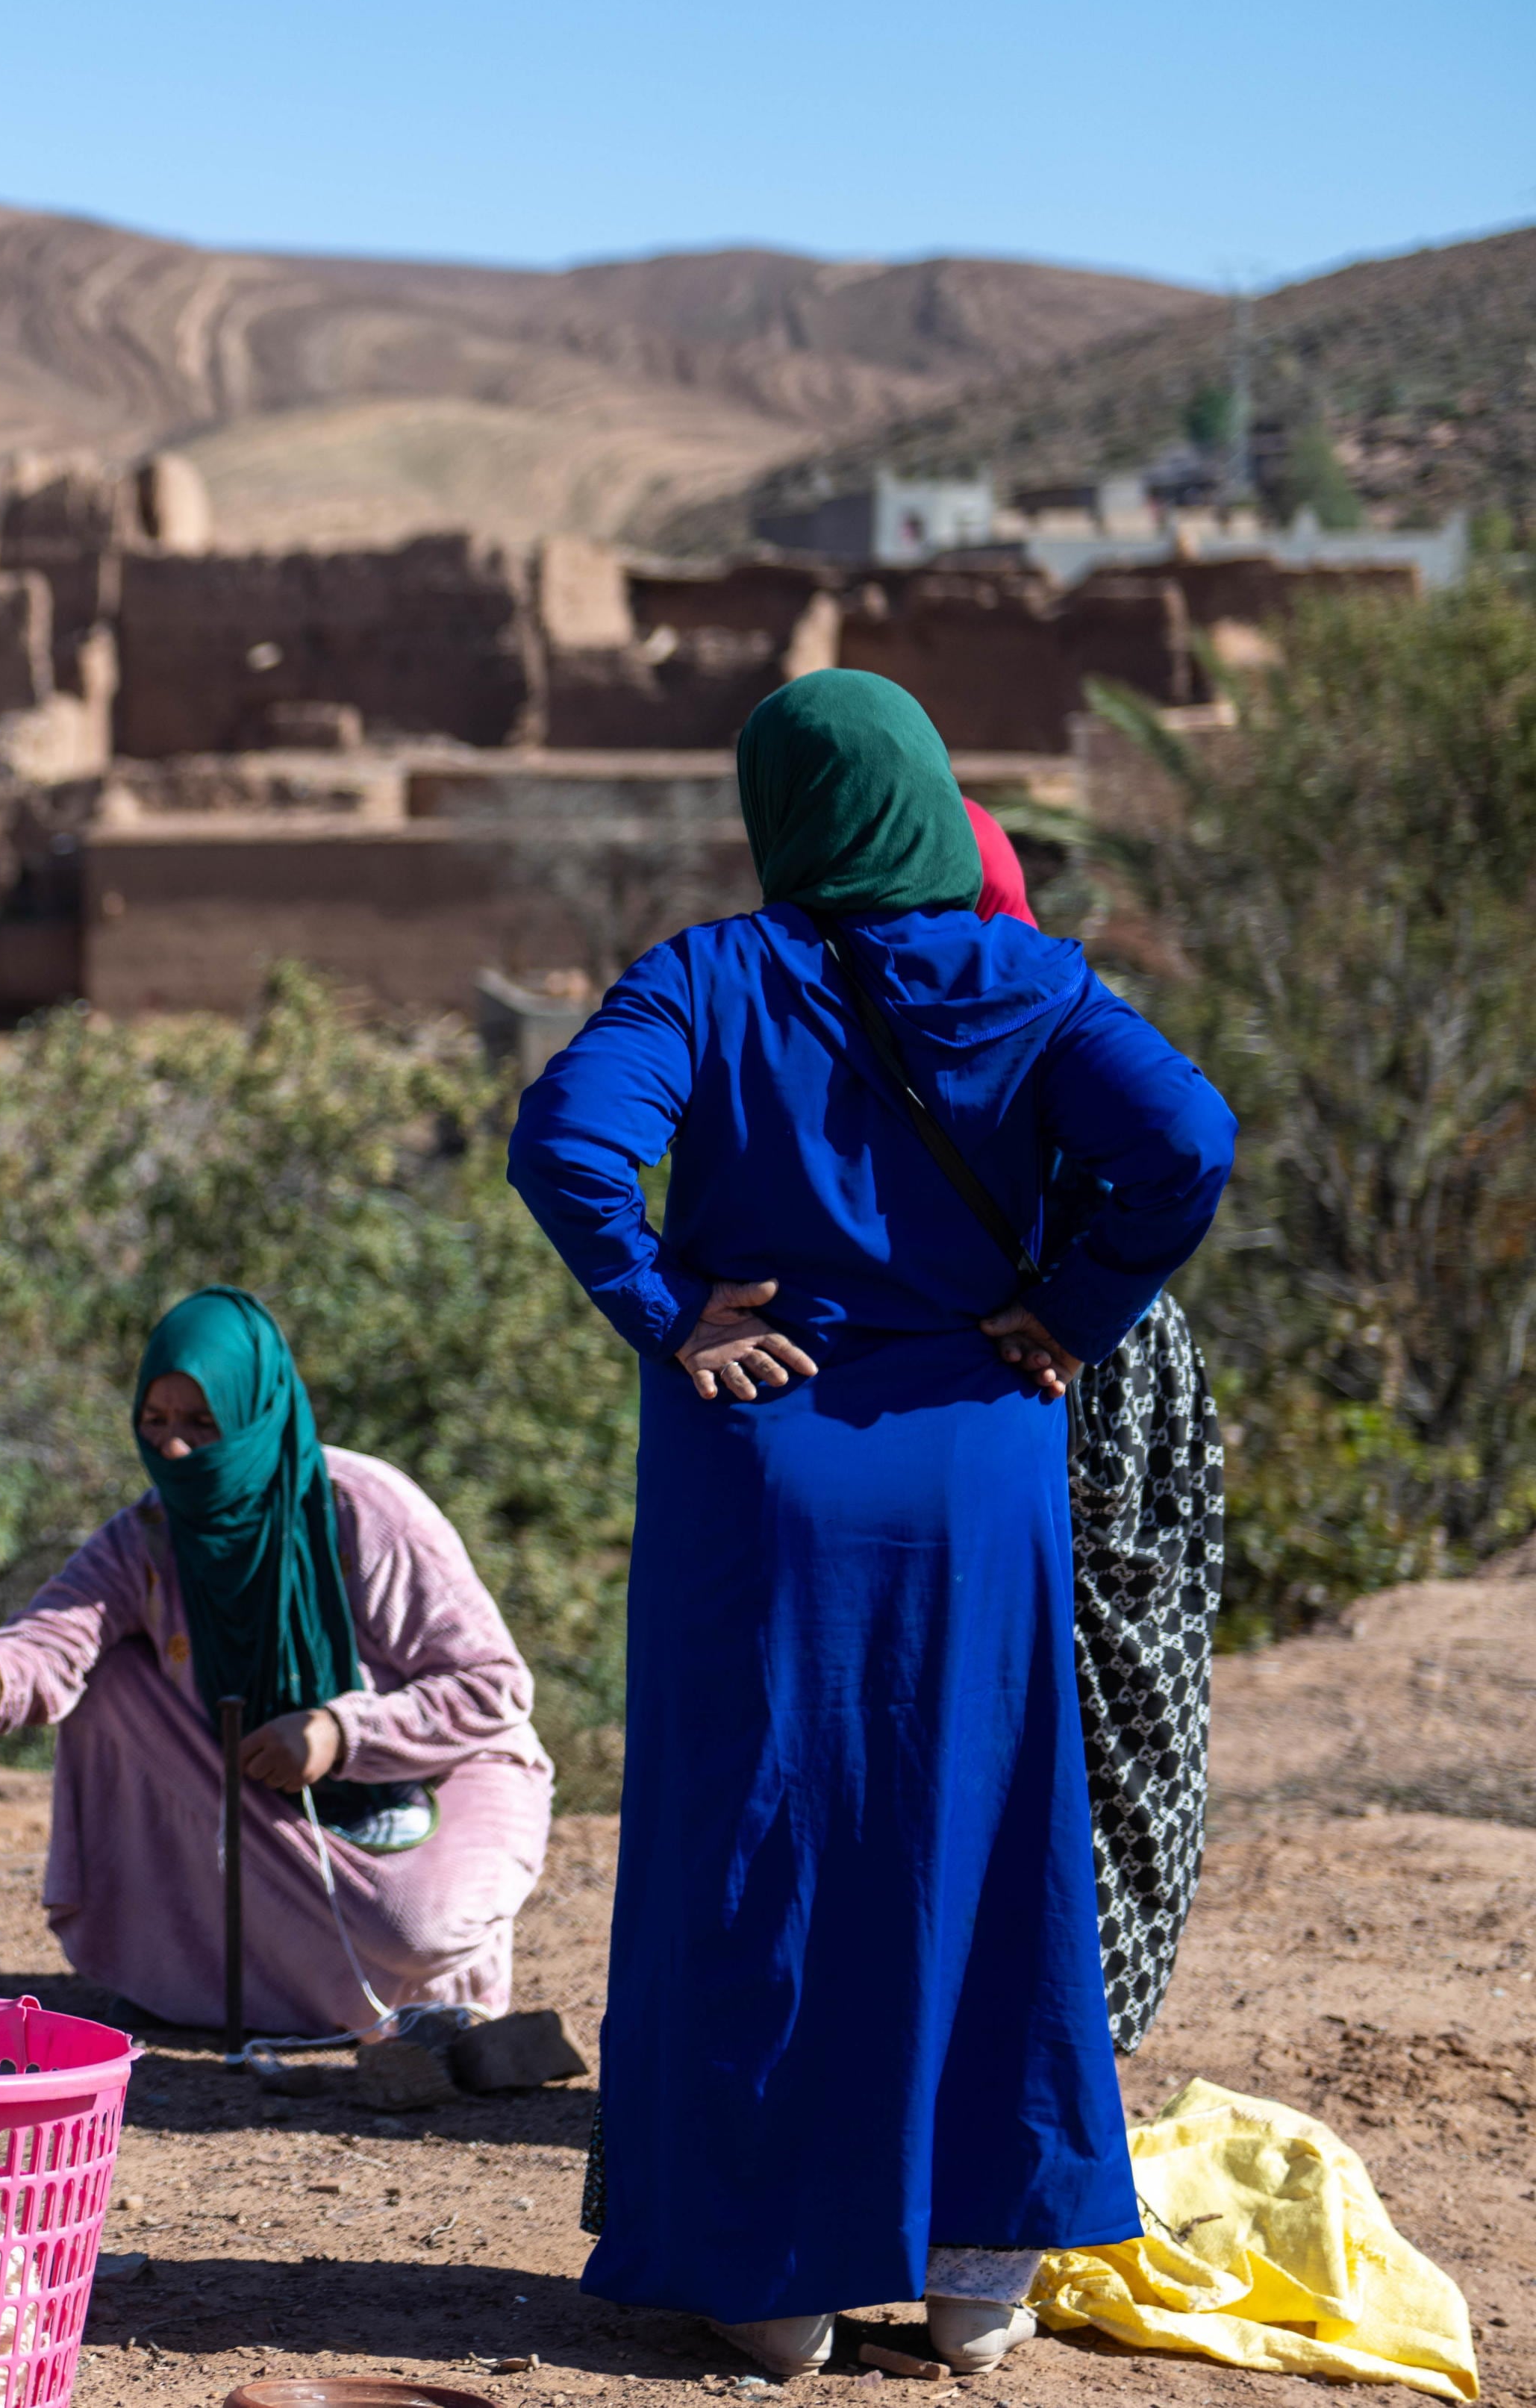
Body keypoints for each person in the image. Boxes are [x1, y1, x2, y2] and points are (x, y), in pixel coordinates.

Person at [507, 671, 1234, 2382]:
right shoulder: (1035, 981)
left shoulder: (706, 977)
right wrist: (1074, 1303)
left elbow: (566, 1138)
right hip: (977, 1468)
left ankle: (776, 2284)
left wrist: (667, 1304)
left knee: (761, 1848)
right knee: (981, 1838)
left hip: (760, 1468)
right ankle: (978, 2274)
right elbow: (1185, 1139)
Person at [0, 1286, 552, 2039]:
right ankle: (209, 1982)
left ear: (255, 1411)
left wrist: (340, 1734)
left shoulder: (360, 1511)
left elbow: (491, 1688)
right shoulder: (147, 1534)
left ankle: (423, 1994)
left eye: (202, 1424)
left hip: (443, 1770)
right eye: (155, 1421)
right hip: (261, 1790)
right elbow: (56, 1638)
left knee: (412, 1929)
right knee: (109, 1684)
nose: (172, 1448)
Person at [966, 792, 1229, 2058]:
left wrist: (1068, 1310)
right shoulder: (1052, 995)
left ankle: (1042, 2023)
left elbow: (1183, 1146)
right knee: (1100, 1686)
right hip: (1088, 1351)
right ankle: (1059, 2022)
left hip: (1058, 1356)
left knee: (1082, 1678)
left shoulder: (1010, 1003)